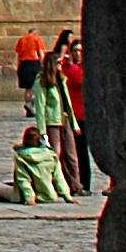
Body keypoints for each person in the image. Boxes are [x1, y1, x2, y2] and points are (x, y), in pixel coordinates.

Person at [33, 51, 83, 196]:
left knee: (71, 154)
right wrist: (42, 131)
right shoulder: (42, 81)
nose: (62, 65)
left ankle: (75, 185)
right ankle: (53, 185)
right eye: (59, 63)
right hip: (52, 121)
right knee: (55, 153)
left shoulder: (62, 80)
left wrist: (75, 125)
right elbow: (40, 107)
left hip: (65, 119)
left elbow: (67, 103)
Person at [0, 125, 74, 204]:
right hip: (48, 195)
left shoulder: (21, 156)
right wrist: (67, 196)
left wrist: (29, 198)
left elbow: (23, 179)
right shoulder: (51, 155)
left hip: (24, 196)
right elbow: (59, 177)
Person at [63, 37, 94, 190]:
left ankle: (85, 183)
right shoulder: (67, 67)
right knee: (68, 151)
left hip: (82, 115)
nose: (77, 54)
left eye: (80, 51)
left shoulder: (83, 68)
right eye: (75, 51)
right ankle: (71, 182)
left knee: (81, 151)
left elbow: (79, 80)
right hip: (67, 114)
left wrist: (70, 66)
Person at [15, 27, 47, 94]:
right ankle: (35, 102)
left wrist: (17, 66)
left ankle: (28, 103)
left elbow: (18, 54)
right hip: (34, 63)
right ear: (35, 33)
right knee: (37, 85)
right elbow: (41, 53)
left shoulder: (21, 39)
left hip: (23, 64)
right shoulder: (37, 39)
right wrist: (44, 65)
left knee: (28, 88)